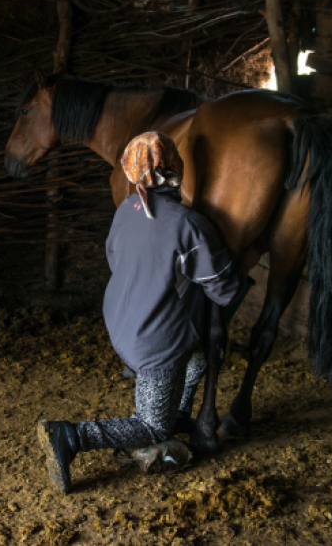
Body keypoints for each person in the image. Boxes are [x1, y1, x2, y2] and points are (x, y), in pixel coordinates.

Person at [37, 131, 245, 494]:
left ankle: (175, 409)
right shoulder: (188, 224)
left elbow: (116, 259)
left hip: (119, 322)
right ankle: (70, 436)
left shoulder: (124, 211)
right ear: (176, 169)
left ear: (133, 172)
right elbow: (224, 290)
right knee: (152, 427)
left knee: (197, 361)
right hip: (154, 342)